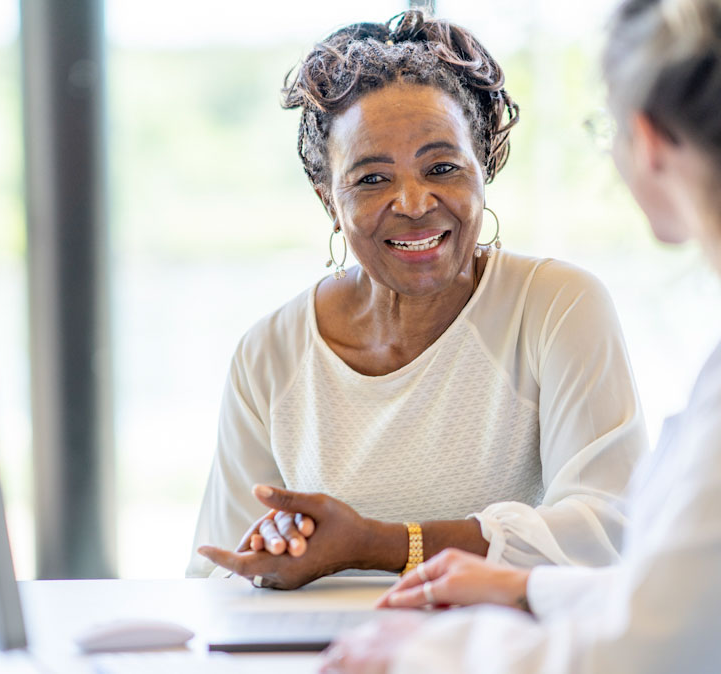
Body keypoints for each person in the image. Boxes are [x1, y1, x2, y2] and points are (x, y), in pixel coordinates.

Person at [320, 0, 721, 671]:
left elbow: (649, 655)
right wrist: (530, 587)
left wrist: (432, 652)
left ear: (651, 140)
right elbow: (702, 588)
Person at [188, 10, 648, 590]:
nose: (413, 202)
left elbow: (608, 531)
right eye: (372, 179)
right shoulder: (269, 353)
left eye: (443, 167)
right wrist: (269, 553)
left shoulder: (558, 307)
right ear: (328, 198)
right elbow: (220, 571)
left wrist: (379, 545)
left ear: (485, 169)